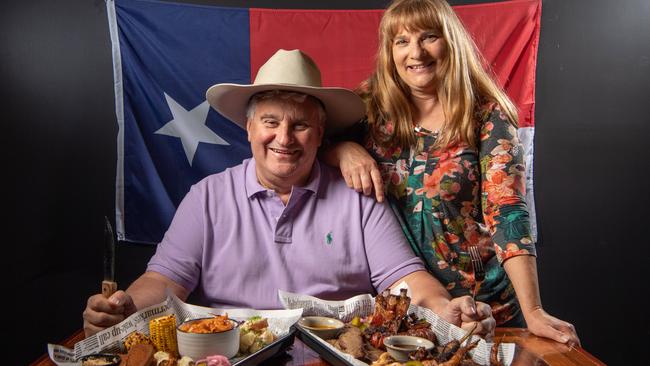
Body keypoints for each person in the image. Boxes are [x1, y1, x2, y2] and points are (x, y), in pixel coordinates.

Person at [83, 49, 495, 338]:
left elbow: (407, 280)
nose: (284, 138)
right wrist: (124, 309)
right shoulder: (207, 196)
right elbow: (164, 281)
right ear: (248, 129)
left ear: (320, 134)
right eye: (270, 121)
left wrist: (445, 309)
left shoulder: (359, 198)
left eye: (300, 125)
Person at [322, 0, 580, 346]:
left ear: (451, 42)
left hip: (481, 308)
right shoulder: (366, 108)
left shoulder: (486, 116)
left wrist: (533, 310)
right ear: (389, 51)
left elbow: (507, 211)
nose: (416, 52)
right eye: (402, 41)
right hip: (400, 303)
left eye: (429, 37)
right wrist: (341, 150)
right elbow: (303, 146)